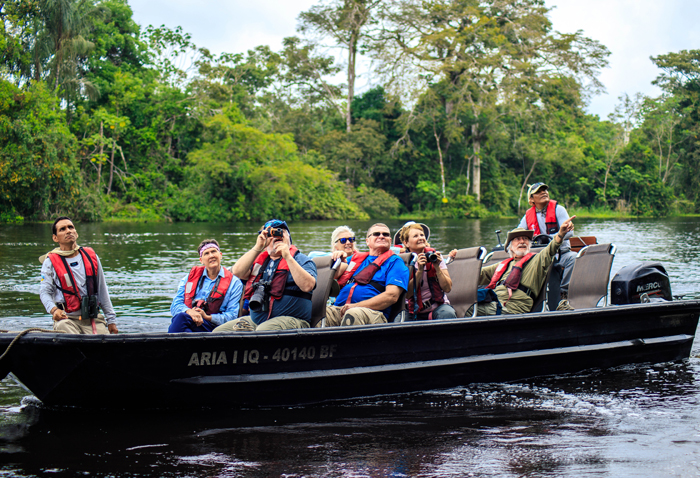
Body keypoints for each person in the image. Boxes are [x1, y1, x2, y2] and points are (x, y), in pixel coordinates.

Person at [214, 219, 317, 332]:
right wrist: (258, 247)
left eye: (281, 231)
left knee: (264, 330)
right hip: (257, 321)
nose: (277, 235)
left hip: (294, 320)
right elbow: (237, 272)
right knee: (219, 332)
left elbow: (308, 285)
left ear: (289, 237)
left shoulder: (301, 260)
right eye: (270, 234)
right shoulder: (259, 262)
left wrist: (287, 257)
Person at [468, 217, 576, 316]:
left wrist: (561, 234)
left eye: (525, 238)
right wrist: (454, 265)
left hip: (512, 309)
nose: (522, 241)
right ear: (510, 247)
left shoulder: (536, 260)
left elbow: (550, 250)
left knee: (466, 309)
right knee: (461, 303)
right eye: (517, 239)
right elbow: (474, 275)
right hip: (494, 302)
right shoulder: (503, 265)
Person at [39, 217, 118, 334]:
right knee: (63, 326)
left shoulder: (92, 257)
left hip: (93, 319)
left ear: (76, 233)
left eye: (71, 227)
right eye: (62, 229)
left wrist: (111, 321)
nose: (68, 231)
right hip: (67, 319)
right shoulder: (49, 262)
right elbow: (45, 292)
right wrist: (54, 310)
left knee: (105, 343)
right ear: (55, 238)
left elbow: (102, 290)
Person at [324, 223, 409, 326]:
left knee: (352, 313)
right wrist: (338, 258)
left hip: (373, 313)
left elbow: (391, 296)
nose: (381, 236)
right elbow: (334, 275)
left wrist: (355, 306)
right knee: (321, 313)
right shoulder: (356, 259)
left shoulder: (395, 262)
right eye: (376, 234)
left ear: (390, 241)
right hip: (340, 309)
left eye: (385, 234)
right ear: (367, 241)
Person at [518, 182, 576, 305]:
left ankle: (564, 293)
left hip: (561, 254)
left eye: (544, 190)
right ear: (531, 199)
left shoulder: (558, 210)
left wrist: (549, 238)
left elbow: (570, 233)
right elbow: (518, 233)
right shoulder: (528, 216)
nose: (544, 192)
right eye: (539, 192)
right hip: (540, 257)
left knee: (573, 258)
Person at [168, 239, 243, 333]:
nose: (211, 255)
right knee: (181, 320)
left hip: (213, 326)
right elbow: (175, 305)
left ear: (220, 255)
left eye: (213, 251)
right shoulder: (189, 277)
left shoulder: (235, 283)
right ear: (201, 260)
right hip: (189, 319)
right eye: (206, 253)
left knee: (180, 320)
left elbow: (232, 316)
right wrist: (189, 311)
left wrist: (207, 317)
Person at [399, 223, 456, 320]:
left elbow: (447, 288)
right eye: (415, 236)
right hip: (411, 309)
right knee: (399, 323)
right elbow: (407, 294)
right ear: (406, 243)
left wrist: (437, 267)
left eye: (422, 235)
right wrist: (419, 271)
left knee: (447, 314)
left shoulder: (435, 256)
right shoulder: (402, 261)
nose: (420, 238)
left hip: (436, 307)